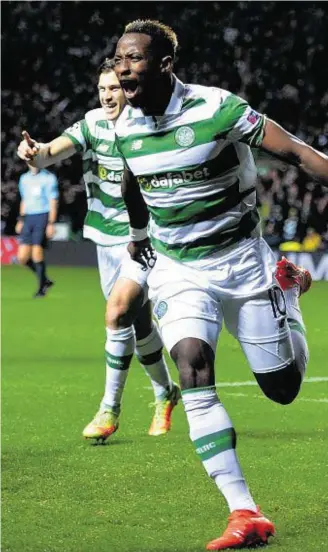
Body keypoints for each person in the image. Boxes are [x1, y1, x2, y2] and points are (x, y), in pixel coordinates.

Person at [112, 19, 328, 550]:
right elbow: (132, 180)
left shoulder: (218, 110)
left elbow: (297, 151)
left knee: (282, 389)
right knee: (192, 364)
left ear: (165, 65)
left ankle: (291, 292)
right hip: (180, 269)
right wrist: (139, 233)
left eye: (134, 59)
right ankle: (244, 511)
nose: (122, 69)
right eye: (118, 59)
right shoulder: (124, 127)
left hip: (244, 262)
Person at [17, 58, 180, 442]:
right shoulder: (92, 123)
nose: (107, 95)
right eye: (102, 89)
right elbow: (52, 152)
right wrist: (35, 153)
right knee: (137, 325)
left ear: (129, 90)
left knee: (117, 310)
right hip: (104, 239)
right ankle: (165, 392)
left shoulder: (148, 125)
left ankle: (109, 409)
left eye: (115, 88)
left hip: (140, 238)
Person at [15, 164, 58, 297]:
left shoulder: (49, 178)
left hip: (42, 215)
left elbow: (53, 201)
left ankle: (41, 289)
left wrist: (51, 223)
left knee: (37, 254)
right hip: (28, 217)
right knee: (22, 257)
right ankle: (45, 280)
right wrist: (21, 219)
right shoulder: (24, 178)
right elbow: (24, 200)